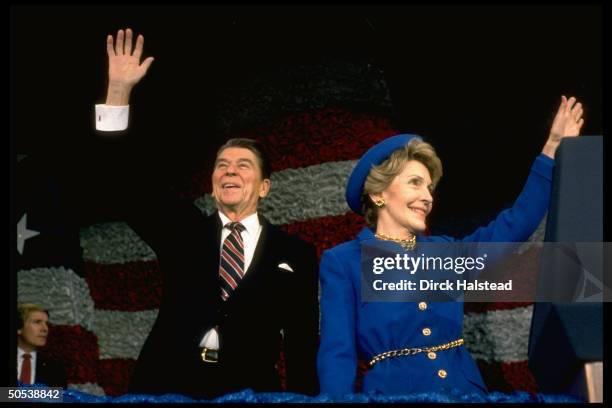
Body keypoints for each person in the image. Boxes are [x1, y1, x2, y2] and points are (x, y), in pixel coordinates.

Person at [92, 28, 319, 399]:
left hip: (250, 395)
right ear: (213, 183)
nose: (230, 170)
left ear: (264, 187)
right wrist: (118, 92)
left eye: (243, 165)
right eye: (222, 165)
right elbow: (122, 184)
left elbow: (302, 344)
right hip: (166, 390)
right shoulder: (183, 231)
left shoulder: (295, 254)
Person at [317, 95, 584, 395]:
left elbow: (514, 225)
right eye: (415, 183)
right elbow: (336, 353)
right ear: (379, 194)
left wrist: (551, 149)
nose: (428, 197)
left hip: (465, 392)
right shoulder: (344, 262)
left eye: (429, 187)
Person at [17, 303, 67, 388]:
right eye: (37, 322)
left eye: (46, 323)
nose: (45, 329)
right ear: (18, 328)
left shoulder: (55, 368)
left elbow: (56, 398)